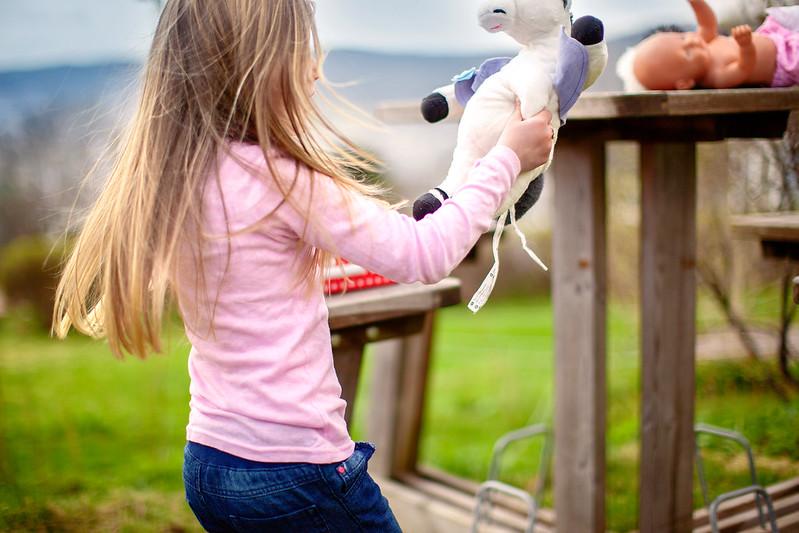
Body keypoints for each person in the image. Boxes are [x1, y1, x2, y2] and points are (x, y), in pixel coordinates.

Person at [51, 1, 555, 531]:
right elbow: (423, 255)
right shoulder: (284, 179)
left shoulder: (178, 175)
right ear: (258, 65)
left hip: (211, 465)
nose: (316, 68)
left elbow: (266, 261)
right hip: (296, 474)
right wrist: (504, 161)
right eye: (303, 50)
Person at [624, 0, 798, 90]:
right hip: (784, 62)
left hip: (775, 35)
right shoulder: (717, 77)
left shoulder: (704, 43)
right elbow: (744, 68)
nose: (692, 42)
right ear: (685, 82)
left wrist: (695, 3)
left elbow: (707, 22)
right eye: (687, 53)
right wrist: (745, 46)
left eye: (683, 38)